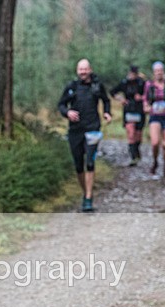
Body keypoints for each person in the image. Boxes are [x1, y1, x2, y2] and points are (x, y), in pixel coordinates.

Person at [57, 58, 112, 212]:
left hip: (93, 128)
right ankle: (85, 192)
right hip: (75, 130)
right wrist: (67, 112)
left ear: (90, 70)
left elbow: (106, 100)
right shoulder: (71, 87)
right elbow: (61, 105)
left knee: (90, 161)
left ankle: (88, 197)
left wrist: (107, 113)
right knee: (78, 164)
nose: (83, 72)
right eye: (80, 69)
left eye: (85, 69)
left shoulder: (97, 85)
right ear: (77, 71)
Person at [143, 61, 165, 178]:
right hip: (155, 115)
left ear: (163, 72)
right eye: (156, 71)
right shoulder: (149, 85)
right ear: (153, 73)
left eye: (160, 71)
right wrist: (146, 107)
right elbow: (145, 99)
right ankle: (155, 161)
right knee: (154, 143)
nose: (159, 73)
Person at [110, 65, 147, 166]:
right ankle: (133, 157)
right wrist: (121, 99)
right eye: (130, 74)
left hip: (139, 110)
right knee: (131, 133)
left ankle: (137, 149)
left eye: (134, 74)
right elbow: (112, 92)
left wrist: (142, 98)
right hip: (128, 110)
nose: (131, 76)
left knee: (138, 134)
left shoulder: (142, 83)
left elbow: (149, 95)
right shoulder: (124, 83)